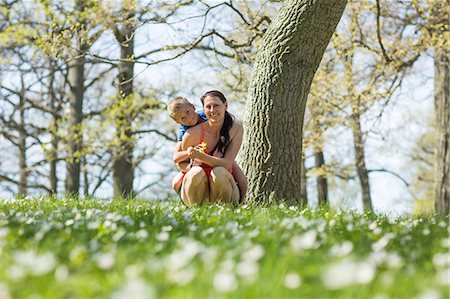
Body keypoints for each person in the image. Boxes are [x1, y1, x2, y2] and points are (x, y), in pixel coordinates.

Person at [167, 96, 247, 203]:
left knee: (242, 181)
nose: (188, 118)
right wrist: (190, 153)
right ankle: (186, 201)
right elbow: (176, 157)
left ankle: (243, 202)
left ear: (193, 107)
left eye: (187, 112)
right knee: (176, 183)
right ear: (178, 122)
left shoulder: (207, 115)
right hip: (197, 159)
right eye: (182, 118)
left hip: (218, 158)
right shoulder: (185, 130)